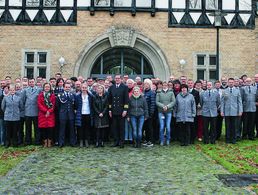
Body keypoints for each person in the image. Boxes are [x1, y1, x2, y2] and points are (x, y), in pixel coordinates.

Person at [108, 75, 129, 148]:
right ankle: (116, 141)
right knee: (115, 127)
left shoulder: (125, 87)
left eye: (118, 78)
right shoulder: (111, 87)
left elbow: (126, 99)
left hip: (121, 111)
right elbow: (109, 100)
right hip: (113, 110)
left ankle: (121, 142)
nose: (117, 79)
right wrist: (110, 110)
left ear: (121, 79)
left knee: (121, 127)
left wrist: (125, 110)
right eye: (116, 78)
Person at [221, 78, 243, 144]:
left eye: (232, 82)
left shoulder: (237, 91)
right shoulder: (224, 91)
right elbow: (222, 102)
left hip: (235, 111)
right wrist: (222, 111)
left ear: (234, 83)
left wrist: (240, 111)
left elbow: (239, 102)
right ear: (228, 82)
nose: (231, 83)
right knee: (227, 126)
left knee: (234, 126)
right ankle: (227, 139)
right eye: (229, 82)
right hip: (227, 111)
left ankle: (233, 139)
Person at [22, 78, 42, 145]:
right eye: (30, 82)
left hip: (36, 111)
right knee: (28, 127)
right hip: (28, 111)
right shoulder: (25, 90)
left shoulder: (39, 89)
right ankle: (28, 141)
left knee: (37, 128)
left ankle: (37, 141)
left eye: (32, 82)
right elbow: (23, 100)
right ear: (28, 83)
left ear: (34, 82)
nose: (31, 83)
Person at [57, 82, 76, 147]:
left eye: (69, 87)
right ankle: (61, 143)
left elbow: (74, 105)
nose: (67, 88)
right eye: (66, 87)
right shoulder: (60, 95)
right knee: (62, 129)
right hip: (63, 114)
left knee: (72, 129)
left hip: (71, 114)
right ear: (64, 87)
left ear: (70, 88)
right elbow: (58, 106)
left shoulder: (72, 95)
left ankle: (72, 142)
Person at [156, 81, 176, 146]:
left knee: (168, 126)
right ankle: (161, 140)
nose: (164, 86)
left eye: (165, 85)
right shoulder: (158, 92)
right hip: (161, 112)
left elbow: (173, 101)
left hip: (169, 112)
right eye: (163, 85)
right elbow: (157, 102)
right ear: (162, 86)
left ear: (167, 85)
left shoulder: (171, 93)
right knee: (161, 127)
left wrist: (167, 106)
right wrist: (163, 106)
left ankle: (168, 140)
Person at [37, 83, 56, 147]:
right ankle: (45, 142)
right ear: (43, 88)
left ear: (50, 88)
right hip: (43, 114)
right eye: (46, 87)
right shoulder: (40, 95)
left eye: (48, 87)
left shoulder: (52, 95)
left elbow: (53, 105)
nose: (47, 88)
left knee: (50, 129)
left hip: (50, 115)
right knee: (43, 129)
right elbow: (39, 104)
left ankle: (49, 142)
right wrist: (46, 111)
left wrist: (49, 111)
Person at [75, 83, 93, 148]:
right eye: (83, 88)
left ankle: (86, 141)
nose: (84, 89)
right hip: (81, 114)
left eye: (85, 88)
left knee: (87, 128)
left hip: (88, 114)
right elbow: (76, 105)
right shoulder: (77, 96)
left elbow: (91, 105)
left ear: (87, 88)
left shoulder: (90, 96)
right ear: (81, 88)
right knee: (80, 129)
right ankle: (81, 141)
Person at [142, 79, 156, 147]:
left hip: (149, 113)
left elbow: (153, 104)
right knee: (145, 127)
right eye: (145, 84)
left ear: (150, 85)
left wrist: (151, 113)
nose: (146, 85)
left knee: (149, 127)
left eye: (147, 84)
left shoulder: (152, 93)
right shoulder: (143, 92)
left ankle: (150, 140)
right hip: (143, 113)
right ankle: (146, 140)